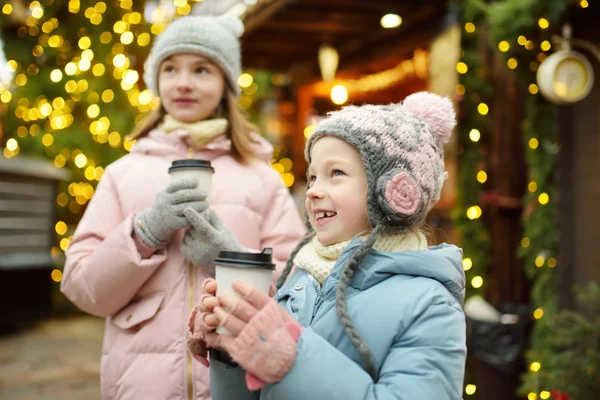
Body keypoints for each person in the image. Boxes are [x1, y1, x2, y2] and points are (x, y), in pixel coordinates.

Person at [60, 14, 305, 400]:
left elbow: (299, 292)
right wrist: (144, 233)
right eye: (170, 68)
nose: (184, 82)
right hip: (141, 388)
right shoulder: (121, 174)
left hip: (238, 382)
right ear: (156, 79)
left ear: (226, 83)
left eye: (202, 69)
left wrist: (228, 260)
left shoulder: (263, 178)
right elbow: (84, 289)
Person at [187, 91, 467, 399]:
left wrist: (292, 356)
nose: (314, 191)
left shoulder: (429, 304)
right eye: (312, 177)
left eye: (336, 173)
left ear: (391, 191)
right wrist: (233, 346)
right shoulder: (299, 282)